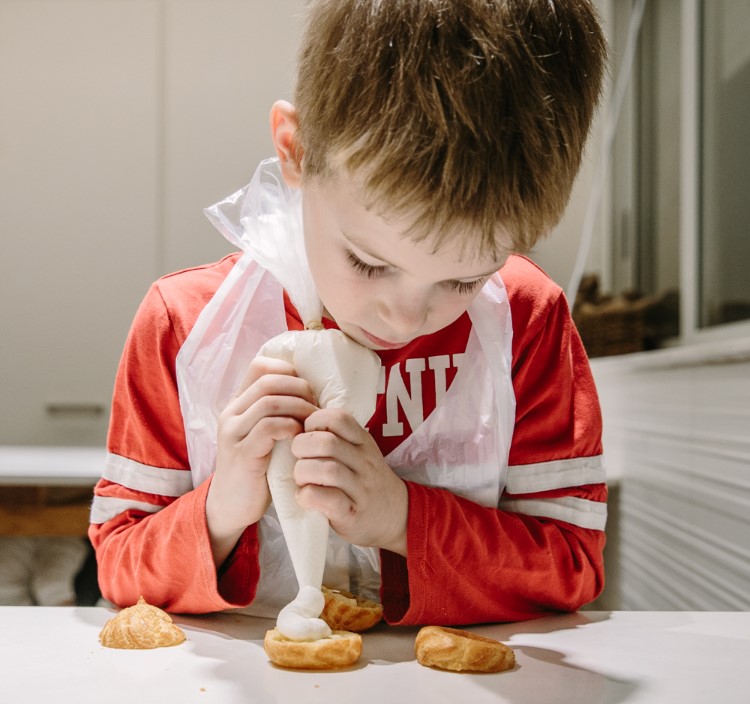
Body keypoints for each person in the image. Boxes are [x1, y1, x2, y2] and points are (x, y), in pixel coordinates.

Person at [89, 0, 608, 625]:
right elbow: (118, 561)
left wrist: (402, 519)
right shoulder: (184, 324)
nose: (405, 317)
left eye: (467, 278)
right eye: (368, 262)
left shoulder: (527, 320)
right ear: (296, 151)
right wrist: (224, 505)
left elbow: (573, 560)